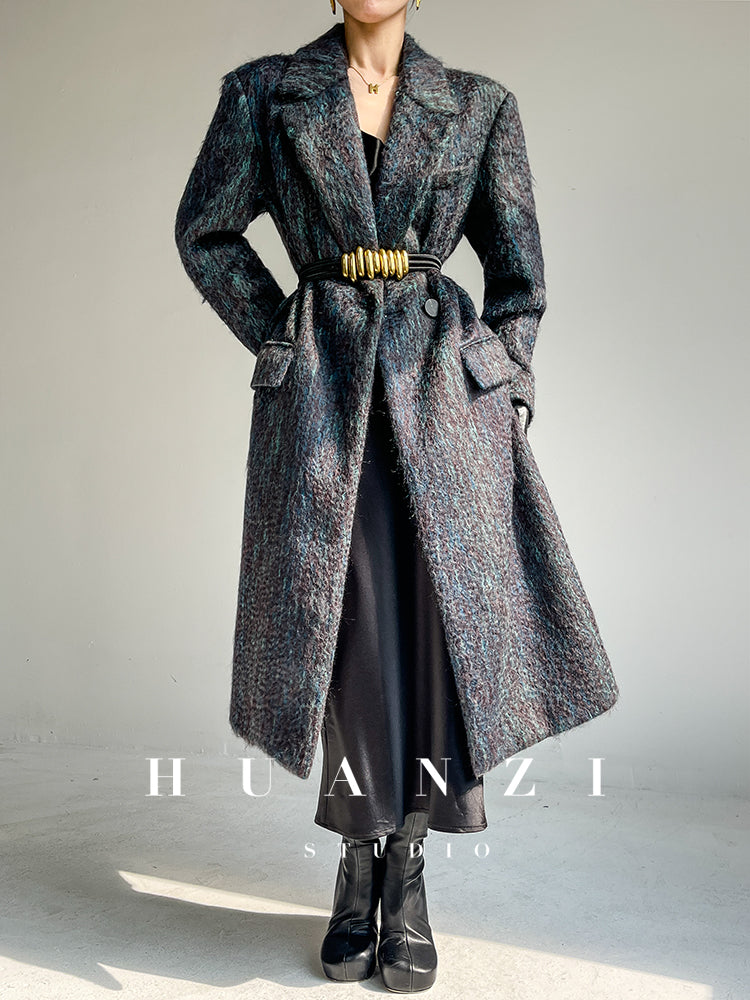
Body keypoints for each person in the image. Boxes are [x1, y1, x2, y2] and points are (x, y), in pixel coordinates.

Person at [174, 0, 619, 993]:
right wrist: (281, 335)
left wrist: (501, 379)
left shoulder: (479, 106)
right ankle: (355, 858)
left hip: (441, 404)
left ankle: (407, 872)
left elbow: (520, 276)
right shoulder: (265, 94)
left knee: (431, 634)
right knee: (343, 638)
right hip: (325, 397)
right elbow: (205, 231)